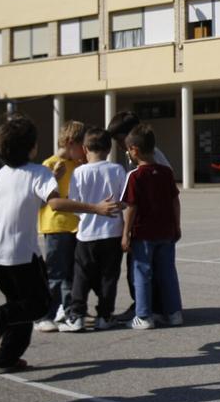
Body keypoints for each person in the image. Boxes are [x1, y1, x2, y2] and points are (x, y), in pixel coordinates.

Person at [0, 115, 121, 373]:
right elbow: (55, 203)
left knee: (19, 305)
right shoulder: (38, 172)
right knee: (39, 304)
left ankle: (6, 358)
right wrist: (95, 208)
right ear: (31, 147)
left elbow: (23, 203)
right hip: (20, 253)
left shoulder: (2, 174)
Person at [60, 129, 129, 332]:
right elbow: (125, 200)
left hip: (87, 233)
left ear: (85, 148)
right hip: (112, 232)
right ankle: (105, 315)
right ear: (109, 149)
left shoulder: (79, 172)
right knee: (109, 277)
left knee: (81, 275)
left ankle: (77, 315)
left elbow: (75, 201)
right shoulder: (117, 170)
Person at [107, 111, 173, 322]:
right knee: (155, 269)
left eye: (119, 140)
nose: (118, 146)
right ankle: (161, 309)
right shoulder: (144, 156)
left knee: (139, 270)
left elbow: (137, 199)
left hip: (145, 227)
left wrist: (126, 230)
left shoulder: (147, 161)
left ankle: (144, 310)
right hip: (160, 225)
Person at [121, 124, 183, 330]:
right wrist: (177, 225)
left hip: (144, 233)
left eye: (128, 149)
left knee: (142, 273)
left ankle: (144, 315)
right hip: (166, 231)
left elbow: (131, 207)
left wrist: (126, 233)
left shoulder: (135, 175)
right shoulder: (166, 172)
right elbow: (175, 201)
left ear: (134, 150)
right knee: (167, 273)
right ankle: (173, 313)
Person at [34, 120, 87, 333]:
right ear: (70, 142)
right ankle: (44, 314)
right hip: (55, 226)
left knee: (73, 273)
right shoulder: (48, 164)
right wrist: (53, 178)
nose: (84, 150)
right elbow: (38, 198)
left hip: (75, 226)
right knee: (55, 273)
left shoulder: (78, 165)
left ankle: (67, 309)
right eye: (81, 145)